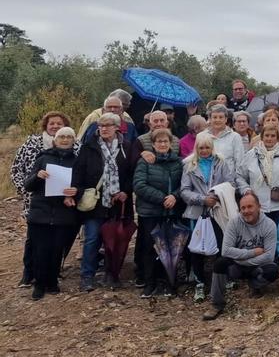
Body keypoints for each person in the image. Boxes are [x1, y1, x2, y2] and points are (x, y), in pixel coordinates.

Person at [11, 111, 78, 287]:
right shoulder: (32, 144)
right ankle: (29, 273)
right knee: (33, 240)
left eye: (59, 123)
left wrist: (73, 193)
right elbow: (17, 170)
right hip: (36, 199)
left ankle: (52, 274)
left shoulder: (75, 146)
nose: (55, 126)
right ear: (46, 126)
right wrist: (26, 192)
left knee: (58, 241)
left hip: (62, 203)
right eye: (52, 123)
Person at [72, 113, 137, 292]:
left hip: (118, 203)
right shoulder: (89, 147)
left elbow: (133, 173)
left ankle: (112, 274)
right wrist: (77, 192)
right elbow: (78, 172)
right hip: (96, 201)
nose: (104, 128)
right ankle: (87, 276)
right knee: (92, 238)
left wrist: (126, 191)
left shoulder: (127, 147)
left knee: (114, 240)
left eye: (108, 125)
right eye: (101, 125)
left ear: (117, 127)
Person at [202, 192, 279, 320]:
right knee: (220, 263)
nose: (246, 211)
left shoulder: (269, 225)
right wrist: (252, 253)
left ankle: (255, 285)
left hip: (255, 265)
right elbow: (225, 251)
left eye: (250, 207)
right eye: (243, 208)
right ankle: (217, 304)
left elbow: (269, 256)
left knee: (272, 271)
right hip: (238, 265)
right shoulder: (234, 223)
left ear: (259, 206)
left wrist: (242, 259)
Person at [180, 134, 235, 302]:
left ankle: (221, 278)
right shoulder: (189, 165)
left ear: (212, 148)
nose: (204, 151)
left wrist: (216, 196)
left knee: (221, 245)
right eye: (201, 148)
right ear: (196, 148)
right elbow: (184, 190)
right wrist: (202, 199)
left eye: (207, 148)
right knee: (197, 248)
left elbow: (230, 183)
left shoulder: (221, 163)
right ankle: (199, 283)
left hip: (218, 210)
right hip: (198, 212)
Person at [133, 128, 183, 297]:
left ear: (171, 143)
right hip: (151, 212)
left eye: (165, 141)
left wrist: (174, 196)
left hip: (172, 212)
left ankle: (169, 282)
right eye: (159, 141)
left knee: (171, 248)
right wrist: (162, 198)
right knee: (150, 248)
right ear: (153, 144)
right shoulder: (145, 162)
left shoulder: (178, 162)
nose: (162, 144)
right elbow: (139, 185)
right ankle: (150, 282)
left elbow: (184, 184)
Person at [236, 126, 279, 224]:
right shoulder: (251, 154)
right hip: (257, 205)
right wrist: (246, 190)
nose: (269, 138)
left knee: (277, 236)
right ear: (262, 137)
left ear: (278, 138)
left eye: (273, 136)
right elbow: (239, 176)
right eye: (266, 135)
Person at [198, 105, 245, 172]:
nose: (217, 120)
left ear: (226, 119)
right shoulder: (201, 136)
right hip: (206, 178)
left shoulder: (235, 137)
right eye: (214, 117)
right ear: (210, 119)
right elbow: (197, 159)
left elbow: (240, 162)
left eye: (221, 117)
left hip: (228, 179)